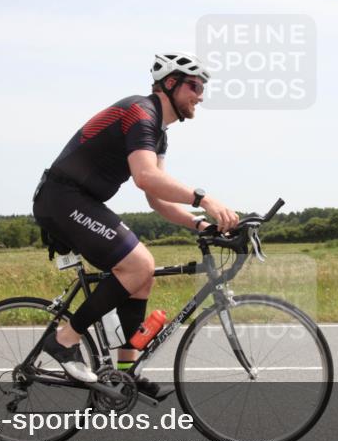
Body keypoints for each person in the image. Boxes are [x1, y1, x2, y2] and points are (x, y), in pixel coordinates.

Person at [32, 52, 238, 399]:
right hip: (62, 198)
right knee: (138, 264)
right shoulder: (140, 113)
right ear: (169, 83)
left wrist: (199, 224)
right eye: (194, 86)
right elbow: (145, 177)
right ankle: (64, 340)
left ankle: (125, 373)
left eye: (203, 88)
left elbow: (156, 197)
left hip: (81, 201)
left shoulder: (159, 134)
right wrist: (204, 199)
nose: (200, 96)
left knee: (142, 277)